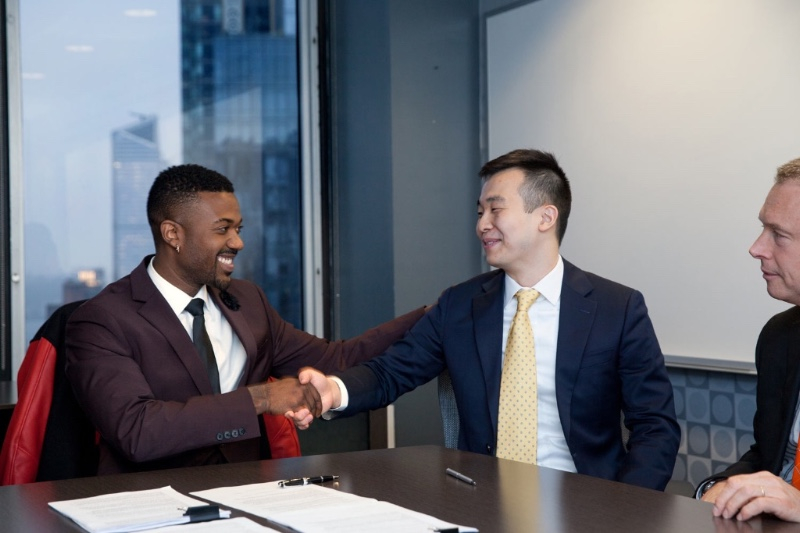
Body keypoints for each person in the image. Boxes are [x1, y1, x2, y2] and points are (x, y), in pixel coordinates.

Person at [291, 149, 680, 490]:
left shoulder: (617, 308)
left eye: (496, 209)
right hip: (482, 503)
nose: (481, 224)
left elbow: (654, 426)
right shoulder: (460, 305)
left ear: (545, 217)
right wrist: (334, 390)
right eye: (480, 212)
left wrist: (627, 507)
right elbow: (392, 371)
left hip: (588, 505)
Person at [65, 164, 425, 474]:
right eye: (222, 230)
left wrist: (436, 317)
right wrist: (261, 398)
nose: (237, 242)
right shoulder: (102, 320)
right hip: (151, 509)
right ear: (173, 233)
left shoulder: (247, 300)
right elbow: (137, 431)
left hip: (249, 500)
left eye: (238, 229)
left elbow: (338, 359)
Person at [698, 157, 800, 523]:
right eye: (762, 229)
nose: (756, 248)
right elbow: (769, 457)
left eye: (779, 234)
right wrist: (721, 486)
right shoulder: (780, 338)